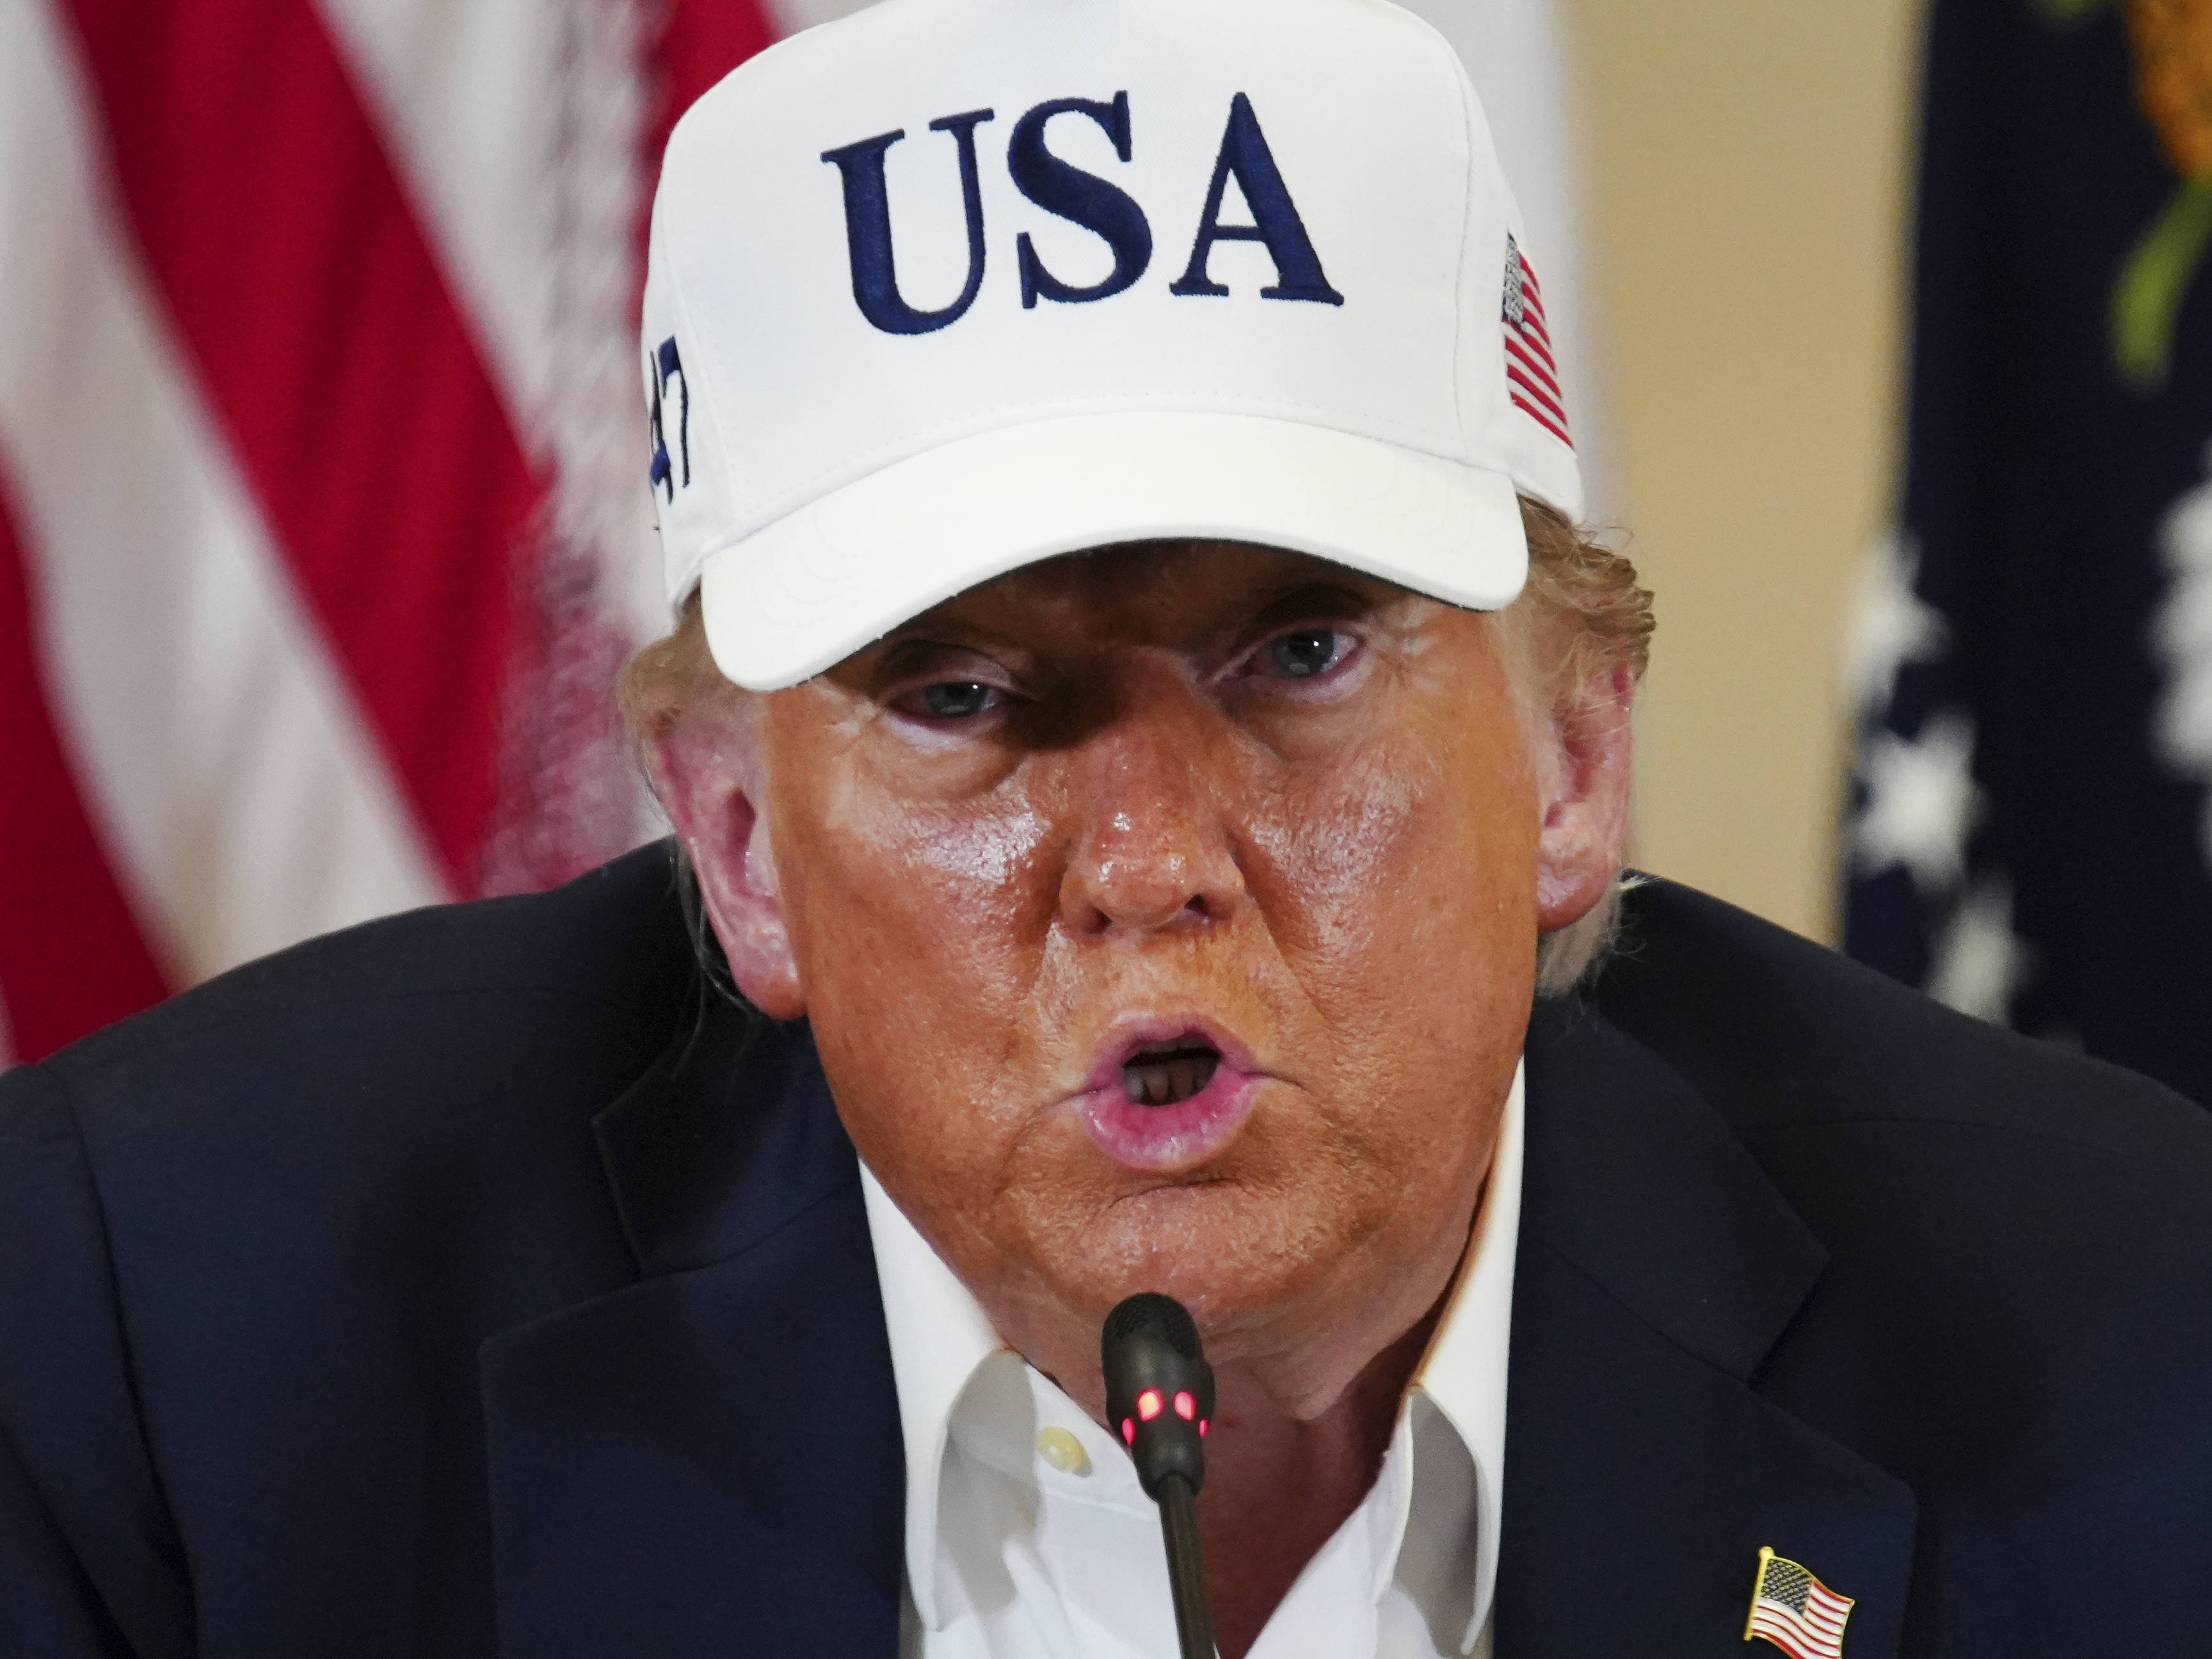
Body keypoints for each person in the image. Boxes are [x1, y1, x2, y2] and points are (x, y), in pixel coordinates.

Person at [5, 0, 2211, 1655]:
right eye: (965, 700)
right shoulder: (172, 1350)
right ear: (738, 849)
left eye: (1301, 656)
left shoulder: (2134, 1357)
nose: (1151, 861)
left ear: (1571, 761)